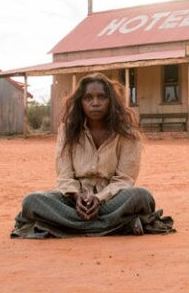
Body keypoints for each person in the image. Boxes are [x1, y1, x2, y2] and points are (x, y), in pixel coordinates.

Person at [11, 73, 174, 238]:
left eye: (101, 97)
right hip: (74, 202)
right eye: (88, 98)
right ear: (80, 102)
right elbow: (64, 174)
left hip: (112, 201)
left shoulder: (128, 133)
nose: (95, 103)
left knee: (141, 196)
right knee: (31, 201)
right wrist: (77, 197)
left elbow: (125, 179)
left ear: (111, 100)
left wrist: (100, 198)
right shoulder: (67, 130)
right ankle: (118, 225)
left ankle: (68, 227)